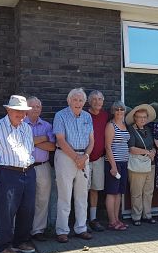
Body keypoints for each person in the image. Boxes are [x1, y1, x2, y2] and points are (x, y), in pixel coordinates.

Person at [0, 95, 36, 253]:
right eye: (17, 111)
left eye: (23, 112)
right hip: (8, 173)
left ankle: (21, 241)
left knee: (27, 209)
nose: (21, 115)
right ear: (8, 110)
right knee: (7, 212)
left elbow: (29, 151)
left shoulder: (27, 128)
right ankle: (5, 246)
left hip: (28, 171)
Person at [53, 88, 94, 243]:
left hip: (84, 157)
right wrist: (77, 157)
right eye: (75, 100)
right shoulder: (60, 115)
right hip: (65, 157)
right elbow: (61, 140)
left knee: (82, 195)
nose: (78, 103)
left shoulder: (87, 116)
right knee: (64, 195)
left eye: (81, 100)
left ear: (84, 102)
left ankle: (81, 228)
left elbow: (92, 141)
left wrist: (85, 157)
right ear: (69, 100)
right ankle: (62, 230)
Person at [25, 96, 56, 241]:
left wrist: (32, 141)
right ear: (27, 108)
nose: (36, 109)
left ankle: (38, 230)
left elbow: (52, 146)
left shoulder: (47, 126)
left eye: (38, 106)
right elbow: (22, 143)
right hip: (25, 168)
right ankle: (22, 230)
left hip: (43, 167)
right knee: (23, 200)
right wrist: (42, 138)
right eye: (33, 106)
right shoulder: (20, 124)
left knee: (42, 200)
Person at [126, 104, 157, 226]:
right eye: (139, 117)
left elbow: (152, 145)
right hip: (137, 164)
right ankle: (136, 216)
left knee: (148, 191)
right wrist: (147, 152)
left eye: (144, 117)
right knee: (137, 192)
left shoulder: (148, 129)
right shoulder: (131, 130)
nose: (142, 119)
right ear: (135, 118)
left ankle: (147, 215)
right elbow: (132, 149)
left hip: (150, 164)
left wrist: (153, 151)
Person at [104, 101, 130, 231]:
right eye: (117, 109)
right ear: (113, 111)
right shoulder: (111, 126)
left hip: (124, 163)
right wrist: (113, 167)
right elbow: (108, 146)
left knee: (119, 192)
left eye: (122, 109)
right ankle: (112, 221)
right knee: (111, 192)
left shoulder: (125, 125)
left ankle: (117, 219)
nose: (119, 111)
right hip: (113, 163)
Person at [87, 90, 109, 232]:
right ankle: (81, 220)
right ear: (89, 101)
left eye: (100, 99)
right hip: (84, 158)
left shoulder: (106, 116)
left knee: (95, 189)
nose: (97, 102)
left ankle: (93, 219)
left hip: (99, 159)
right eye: (94, 99)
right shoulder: (84, 115)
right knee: (82, 190)